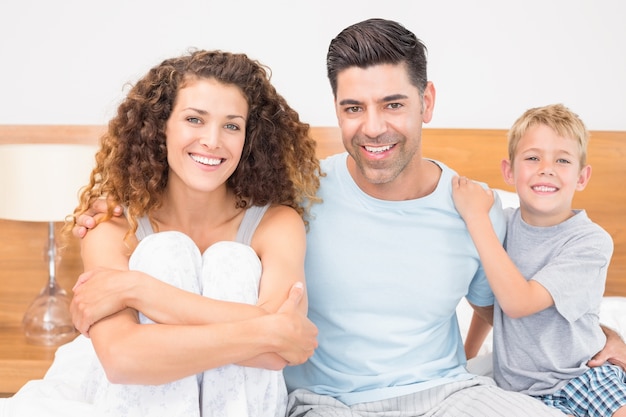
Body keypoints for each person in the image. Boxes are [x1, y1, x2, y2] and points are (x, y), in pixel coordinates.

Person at [72, 19, 626, 417]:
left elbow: (510, 304)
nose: (374, 127)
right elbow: (206, 194)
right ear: (336, 108)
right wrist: (115, 205)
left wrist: (602, 330)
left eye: (394, 104)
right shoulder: (296, 194)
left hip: (445, 395)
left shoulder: (474, 205)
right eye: (353, 108)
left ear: (426, 102)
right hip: (326, 402)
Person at [63, 49, 320, 417]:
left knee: (231, 259)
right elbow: (122, 359)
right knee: (163, 251)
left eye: (231, 125)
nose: (212, 141)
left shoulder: (276, 223)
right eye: (194, 120)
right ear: (160, 126)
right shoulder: (112, 224)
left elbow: (285, 350)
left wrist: (140, 290)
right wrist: (265, 330)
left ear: (248, 138)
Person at [451, 103, 626, 416]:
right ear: (509, 171)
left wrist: (476, 218)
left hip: (582, 376)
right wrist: (466, 358)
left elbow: (518, 303)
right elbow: (489, 300)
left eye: (562, 160)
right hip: (518, 391)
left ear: (582, 177)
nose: (547, 168)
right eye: (532, 158)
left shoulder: (589, 241)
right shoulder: (500, 227)